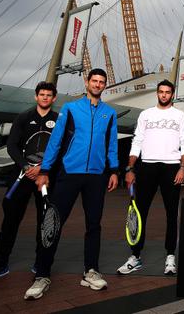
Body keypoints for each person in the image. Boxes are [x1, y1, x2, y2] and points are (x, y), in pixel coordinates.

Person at [24, 68, 119, 300]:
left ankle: (91, 272)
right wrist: (45, 170)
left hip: (96, 176)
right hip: (69, 172)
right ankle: (42, 275)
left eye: (101, 82)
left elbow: (111, 145)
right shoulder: (70, 109)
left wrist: (114, 170)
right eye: (94, 81)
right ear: (87, 83)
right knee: (53, 222)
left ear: (104, 86)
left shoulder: (110, 113)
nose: (97, 84)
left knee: (94, 225)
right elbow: (55, 141)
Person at [0, 81, 58, 282]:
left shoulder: (59, 120)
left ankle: (41, 265)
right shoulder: (23, 118)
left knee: (45, 223)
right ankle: (0, 264)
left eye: (49, 95)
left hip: (45, 177)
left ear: (54, 98)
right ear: (36, 96)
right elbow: (12, 146)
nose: (45, 98)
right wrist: (26, 166)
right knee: (10, 222)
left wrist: (43, 169)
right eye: (42, 94)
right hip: (22, 175)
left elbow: (61, 149)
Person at [118, 79, 184, 276]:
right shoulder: (146, 115)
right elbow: (137, 142)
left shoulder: (179, 115)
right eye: (161, 92)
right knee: (140, 213)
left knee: (172, 212)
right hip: (147, 166)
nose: (164, 95)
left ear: (172, 94)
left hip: (172, 167)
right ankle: (135, 256)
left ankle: (170, 257)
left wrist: (182, 168)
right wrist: (130, 168)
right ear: (157, 93)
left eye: (167, 92)